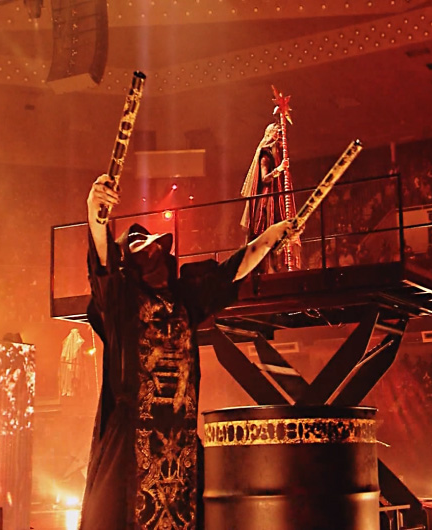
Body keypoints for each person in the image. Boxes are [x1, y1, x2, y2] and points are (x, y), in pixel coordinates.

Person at [79, 174, 293, 530]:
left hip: (179, 444)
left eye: (157, 248)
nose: (155, 252)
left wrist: (272, 236)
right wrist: (95, 215)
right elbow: (102, 267)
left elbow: (231, 272)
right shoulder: (121, 302)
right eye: (143, 248)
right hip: (131, 444)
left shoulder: (184, 301)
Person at [239, 122, 289, 242]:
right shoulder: (265, 155)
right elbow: (265, 178)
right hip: (265, 200)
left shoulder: (275, 155)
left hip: (274, 197)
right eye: (278, 134)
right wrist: (279, 169)